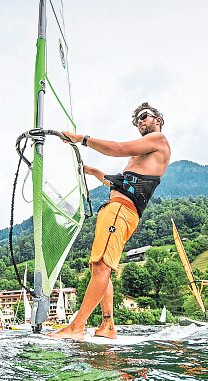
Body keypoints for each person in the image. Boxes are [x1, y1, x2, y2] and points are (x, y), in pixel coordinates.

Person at [50, 102, 171, 340]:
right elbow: (125, 185)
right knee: (100, 266)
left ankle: (76, 328)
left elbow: (117, 148)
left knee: (102, 266)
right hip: (119, 209)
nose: (140, 122)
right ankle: (107, 325)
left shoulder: (159, 139)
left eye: (144, 117)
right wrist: (95, 173)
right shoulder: (145, 154)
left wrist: (80, 138)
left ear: (158, 119)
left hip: (121, 211)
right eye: (137, 120)